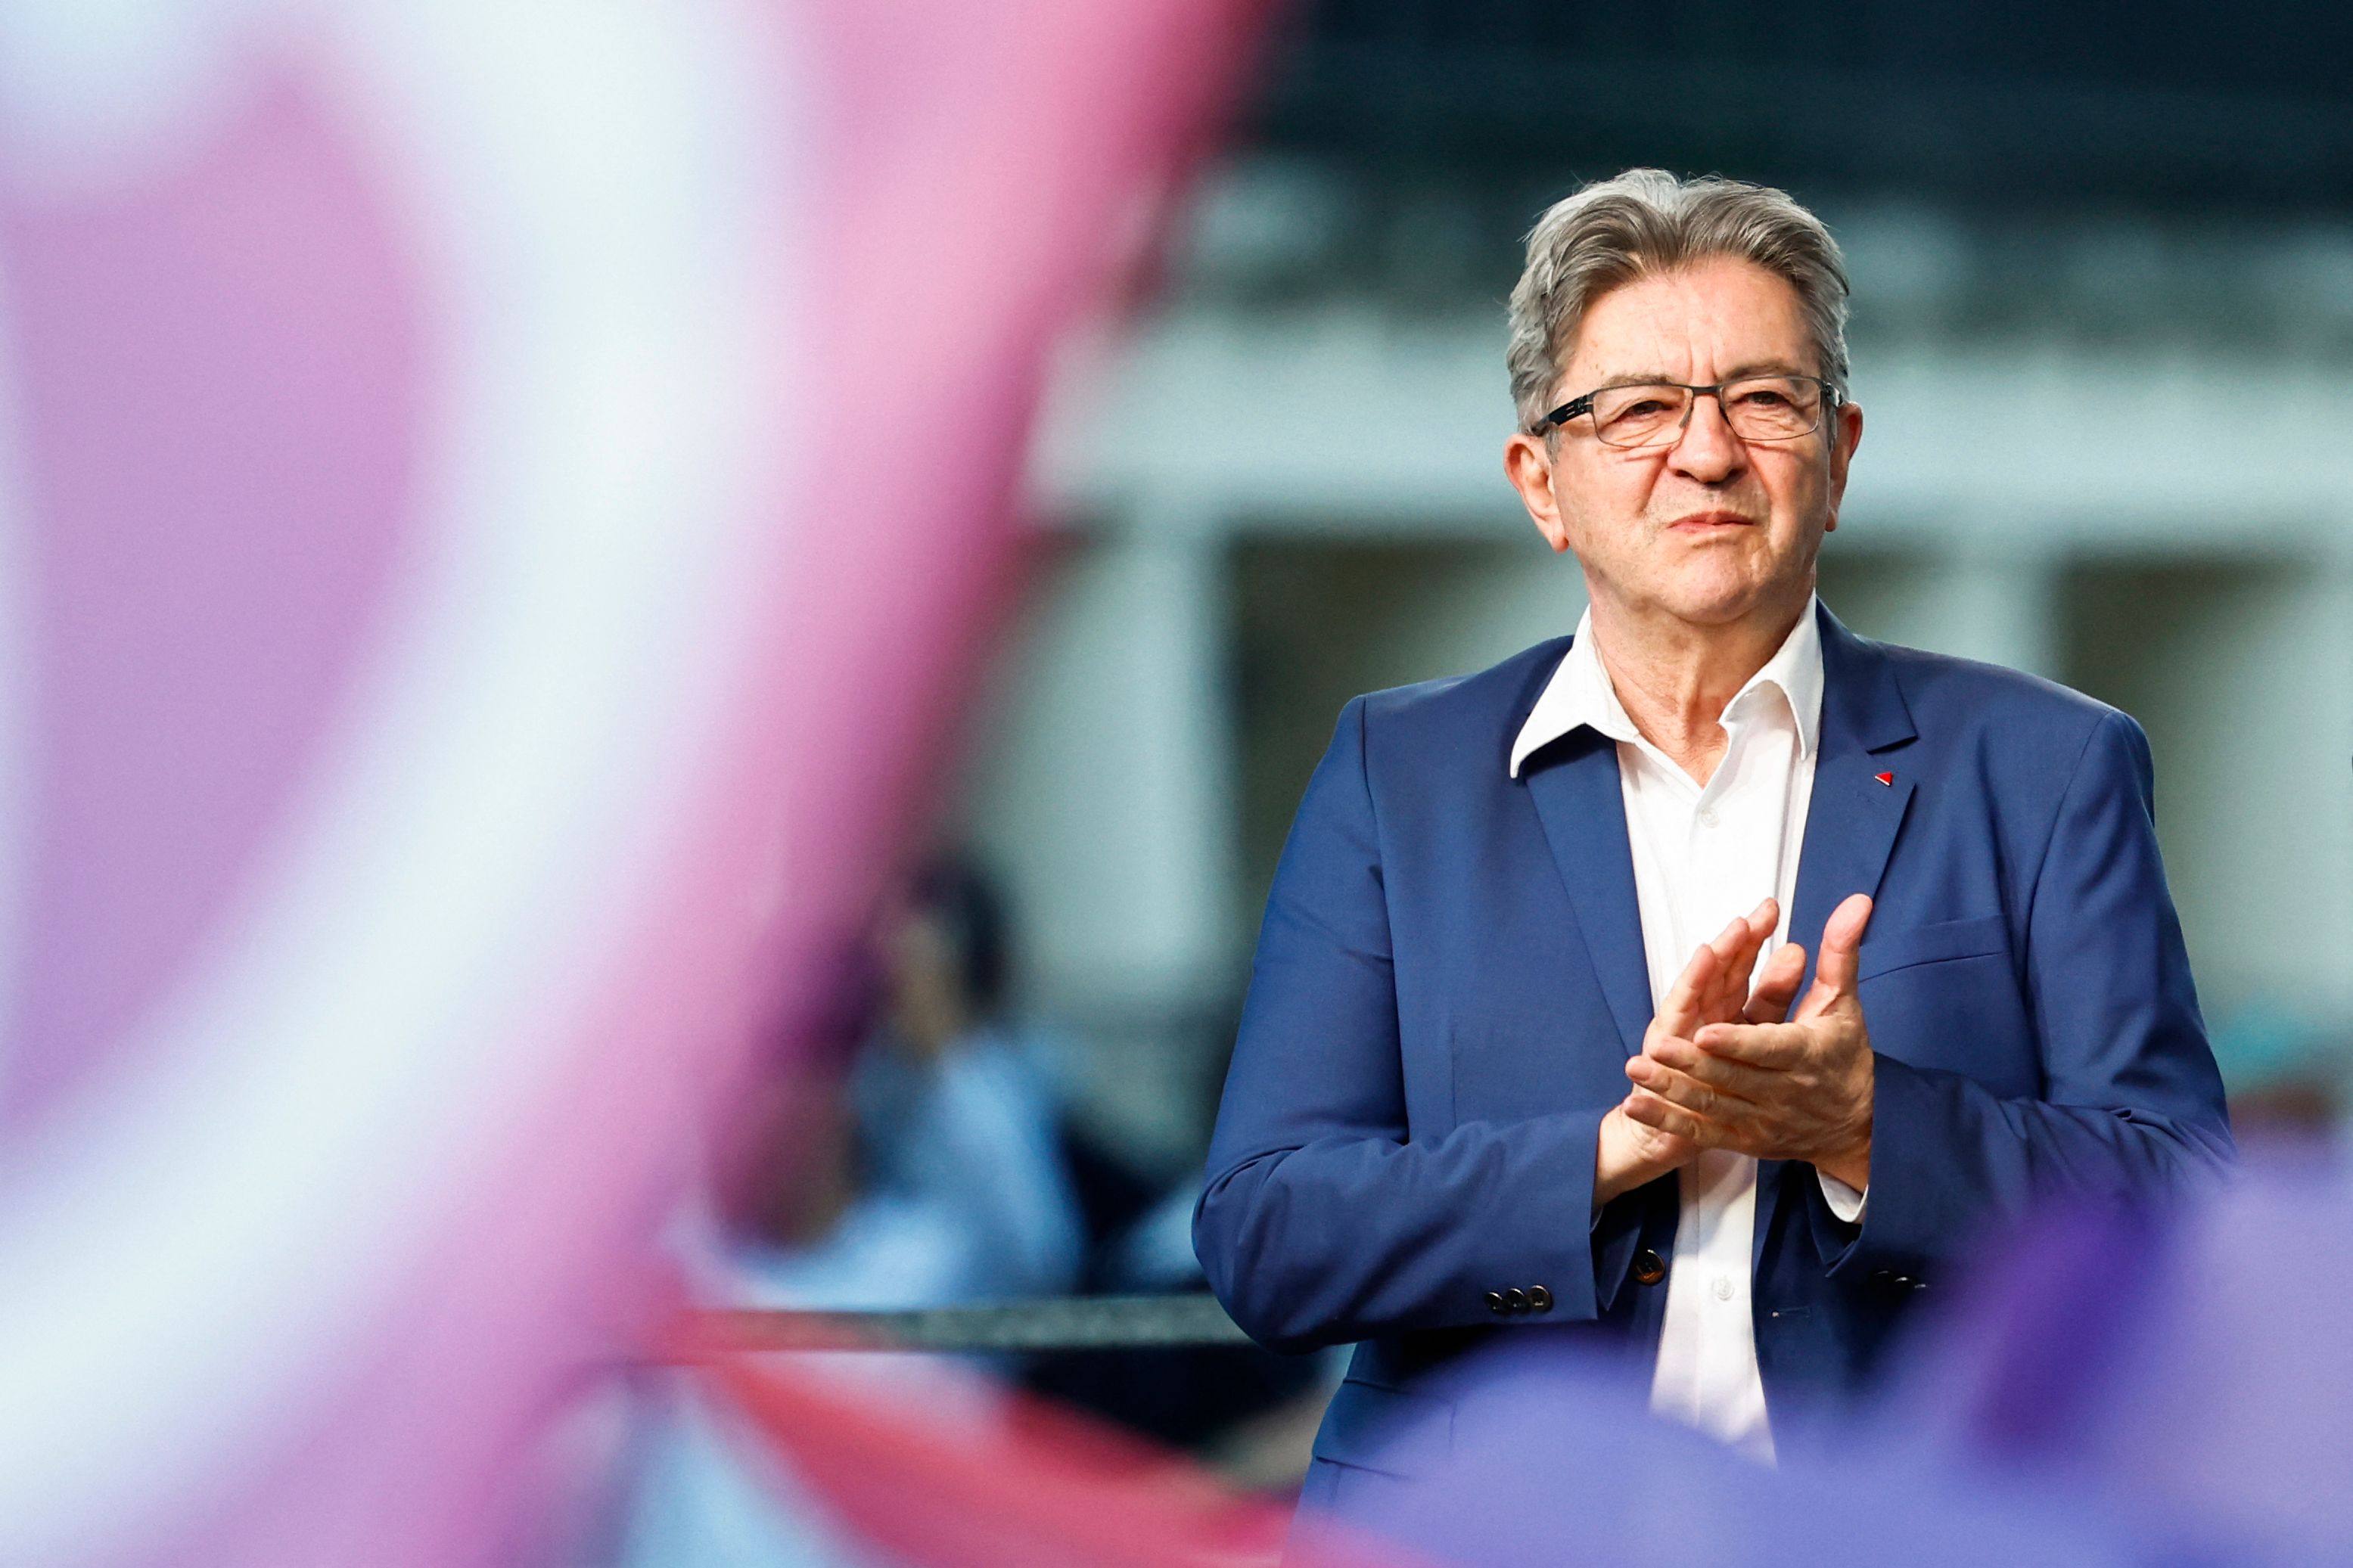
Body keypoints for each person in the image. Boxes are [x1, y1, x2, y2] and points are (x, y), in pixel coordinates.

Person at [1191, 170, 2233, 1516]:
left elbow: (2186, 1211)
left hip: (1903, 1527)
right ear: (1540, 481)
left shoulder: (2042, 766)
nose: (1705, 453)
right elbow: (1269, 1233)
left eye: (1760, 397)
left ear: (1838, 453)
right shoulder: (1404, 774)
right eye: (1636, 410)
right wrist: (1613, 1147)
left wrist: (1869, 1128)